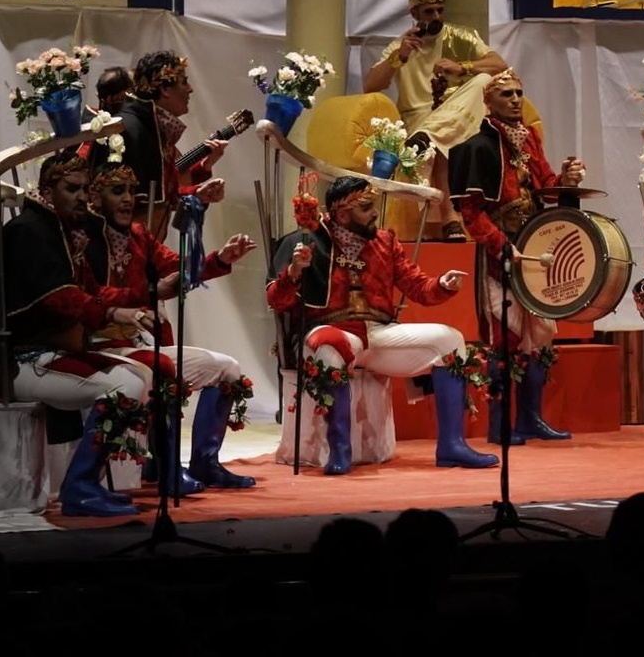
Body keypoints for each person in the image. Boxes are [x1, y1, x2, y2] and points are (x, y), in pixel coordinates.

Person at [265, 176, 498, 474]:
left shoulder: (385, 241)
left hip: (378, 334)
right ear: (342, 213)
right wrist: (294, 272)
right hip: (332, 330)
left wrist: (442, 284)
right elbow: (276, 300)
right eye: (366, 207)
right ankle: (340, 450)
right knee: (330, 347)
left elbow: (416, 286)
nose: (375, 213)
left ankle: (452, 446)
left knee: (450, 339)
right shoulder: (305, 241)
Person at [0, 154, 152, 517]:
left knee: (139, 377)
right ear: (47, 191)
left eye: (83, 190)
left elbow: (94, 292)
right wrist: (110, 312)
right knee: (125, 385)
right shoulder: (30, 231)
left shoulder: (60, 233)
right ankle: (79, 487)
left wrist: (146, 297)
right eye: (71, 189)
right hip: (24, 361)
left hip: (49, 356)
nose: (82, 198)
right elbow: (60, 299)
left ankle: (86, 483)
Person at [78, 163, 260, 490]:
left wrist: (221, 259)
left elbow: (178, 268)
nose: (127, 200)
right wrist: (144, 296)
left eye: (131, 192)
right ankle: (165, 467)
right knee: (163, 368)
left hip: (142, 343)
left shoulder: (138, 235)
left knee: (228, 369)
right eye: (117, 191)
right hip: (98, 345)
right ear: (94, 195)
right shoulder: (82, 237)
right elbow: (88, 296)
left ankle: (205, 463)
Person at [450, 68, 586, 443]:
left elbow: (545, 189)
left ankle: (529, 419)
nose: (514, 99)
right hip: (501, 249)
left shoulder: (531, 140)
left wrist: (567, 180)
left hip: (535, 246)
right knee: (504, 338)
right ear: (488, 103)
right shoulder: (478, 147)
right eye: (506, 94)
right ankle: (499, 426)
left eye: (518, 93)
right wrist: (499, 244)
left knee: (540, 334)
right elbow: (471, 212)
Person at [363, 0, 508, 239]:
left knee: (484, 81)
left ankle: (430, 137)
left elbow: (499, 65)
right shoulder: (401, 45)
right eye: (429, 12)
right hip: (417, 119)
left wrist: (462, 67)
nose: (437, 17)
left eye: (440, 10)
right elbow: (372, 85)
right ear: (415, 14)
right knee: (443, 141)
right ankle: (448, 219)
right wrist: (399, 57)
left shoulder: (461, 36)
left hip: (459, 116)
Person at [103, 51, 227, 242]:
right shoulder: (129, 130)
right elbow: (120, 208)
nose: (190, 88)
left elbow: (163, 196)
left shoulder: (153, 129)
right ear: (164, 89)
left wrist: (197, 194)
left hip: (143, 251)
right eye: (183, 82)